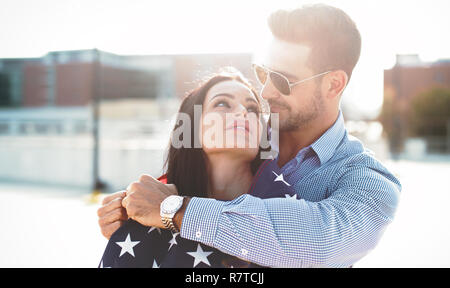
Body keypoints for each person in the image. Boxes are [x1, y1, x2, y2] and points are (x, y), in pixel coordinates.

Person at [98, 4, 402, 268]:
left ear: (334, 84)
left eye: (283, 80)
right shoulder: (240, 132)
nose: (266, 92)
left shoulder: (368, 180)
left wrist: (174, 210)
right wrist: (131, 208)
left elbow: (319, 241)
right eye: (263, 73)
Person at [98, 69, 296, 268]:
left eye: (253, 109)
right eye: (222, 104)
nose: (243, 112)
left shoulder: (289, 209)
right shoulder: (145, 214)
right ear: (191, 127)